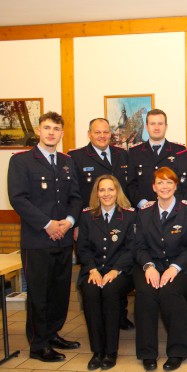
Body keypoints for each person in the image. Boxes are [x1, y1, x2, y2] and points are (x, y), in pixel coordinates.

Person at [8, 111, 83, 362]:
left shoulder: (66, 161)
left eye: (56, 129)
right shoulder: (21, 161)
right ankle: (38, 344)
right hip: (37, 240)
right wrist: (47, 224)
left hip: (63, 238)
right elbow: (18, 198)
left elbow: (75, 197)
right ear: (39, 131)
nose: (51, 132)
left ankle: (52, 333)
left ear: (61, 133)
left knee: (59, 292)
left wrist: (69, 221)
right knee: (39, 294)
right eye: (47, 128)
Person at [133, 167, 187, 372]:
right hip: (151, 264)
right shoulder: (144, 212)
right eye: (160, 183)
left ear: (175, 185)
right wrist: (148, 266)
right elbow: (138, 246)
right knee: (146, 293)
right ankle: (147, 353)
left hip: (184, 267)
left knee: (169, 292)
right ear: (154, 187)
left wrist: (175, 267)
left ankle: (178, 351)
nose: (164, 186)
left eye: (169, 182)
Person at [68, 117, 133, 331]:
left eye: (106, 132)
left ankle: (119, 316)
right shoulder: (76, 157)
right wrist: (75, 223)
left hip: (119, 222)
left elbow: (128, 188)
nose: (103, 136)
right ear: (89, 134)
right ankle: (101, 320)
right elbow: (74, 195)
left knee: (117, 267)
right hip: (91, 224)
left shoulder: (122, 155)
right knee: (94, 269)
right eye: (98, 132)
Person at [76, 175, 136, 370]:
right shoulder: (87, 215)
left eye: (111, 189)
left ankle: (110, 351)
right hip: (93, 270)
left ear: (117, 191)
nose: (106, 194)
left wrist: (115, 270)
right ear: (97, 193)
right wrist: (92, 270)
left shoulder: (128, 215)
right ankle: (97, 351)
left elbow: (132, 249)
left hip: (121, 272)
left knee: (110, 292)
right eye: (102, 190)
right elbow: (82, 248)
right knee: (91, 293)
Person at [127, 109, 185, 209]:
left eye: (160, 124)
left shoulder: (179, 151)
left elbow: (183, 183)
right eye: (152, 124)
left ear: (166, 126)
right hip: (143, 212)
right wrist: (142, 203)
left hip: (174, 211)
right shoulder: (134, 152)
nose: (156, 128)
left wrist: (172, 204)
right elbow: (130, 184)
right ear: (146, 126)